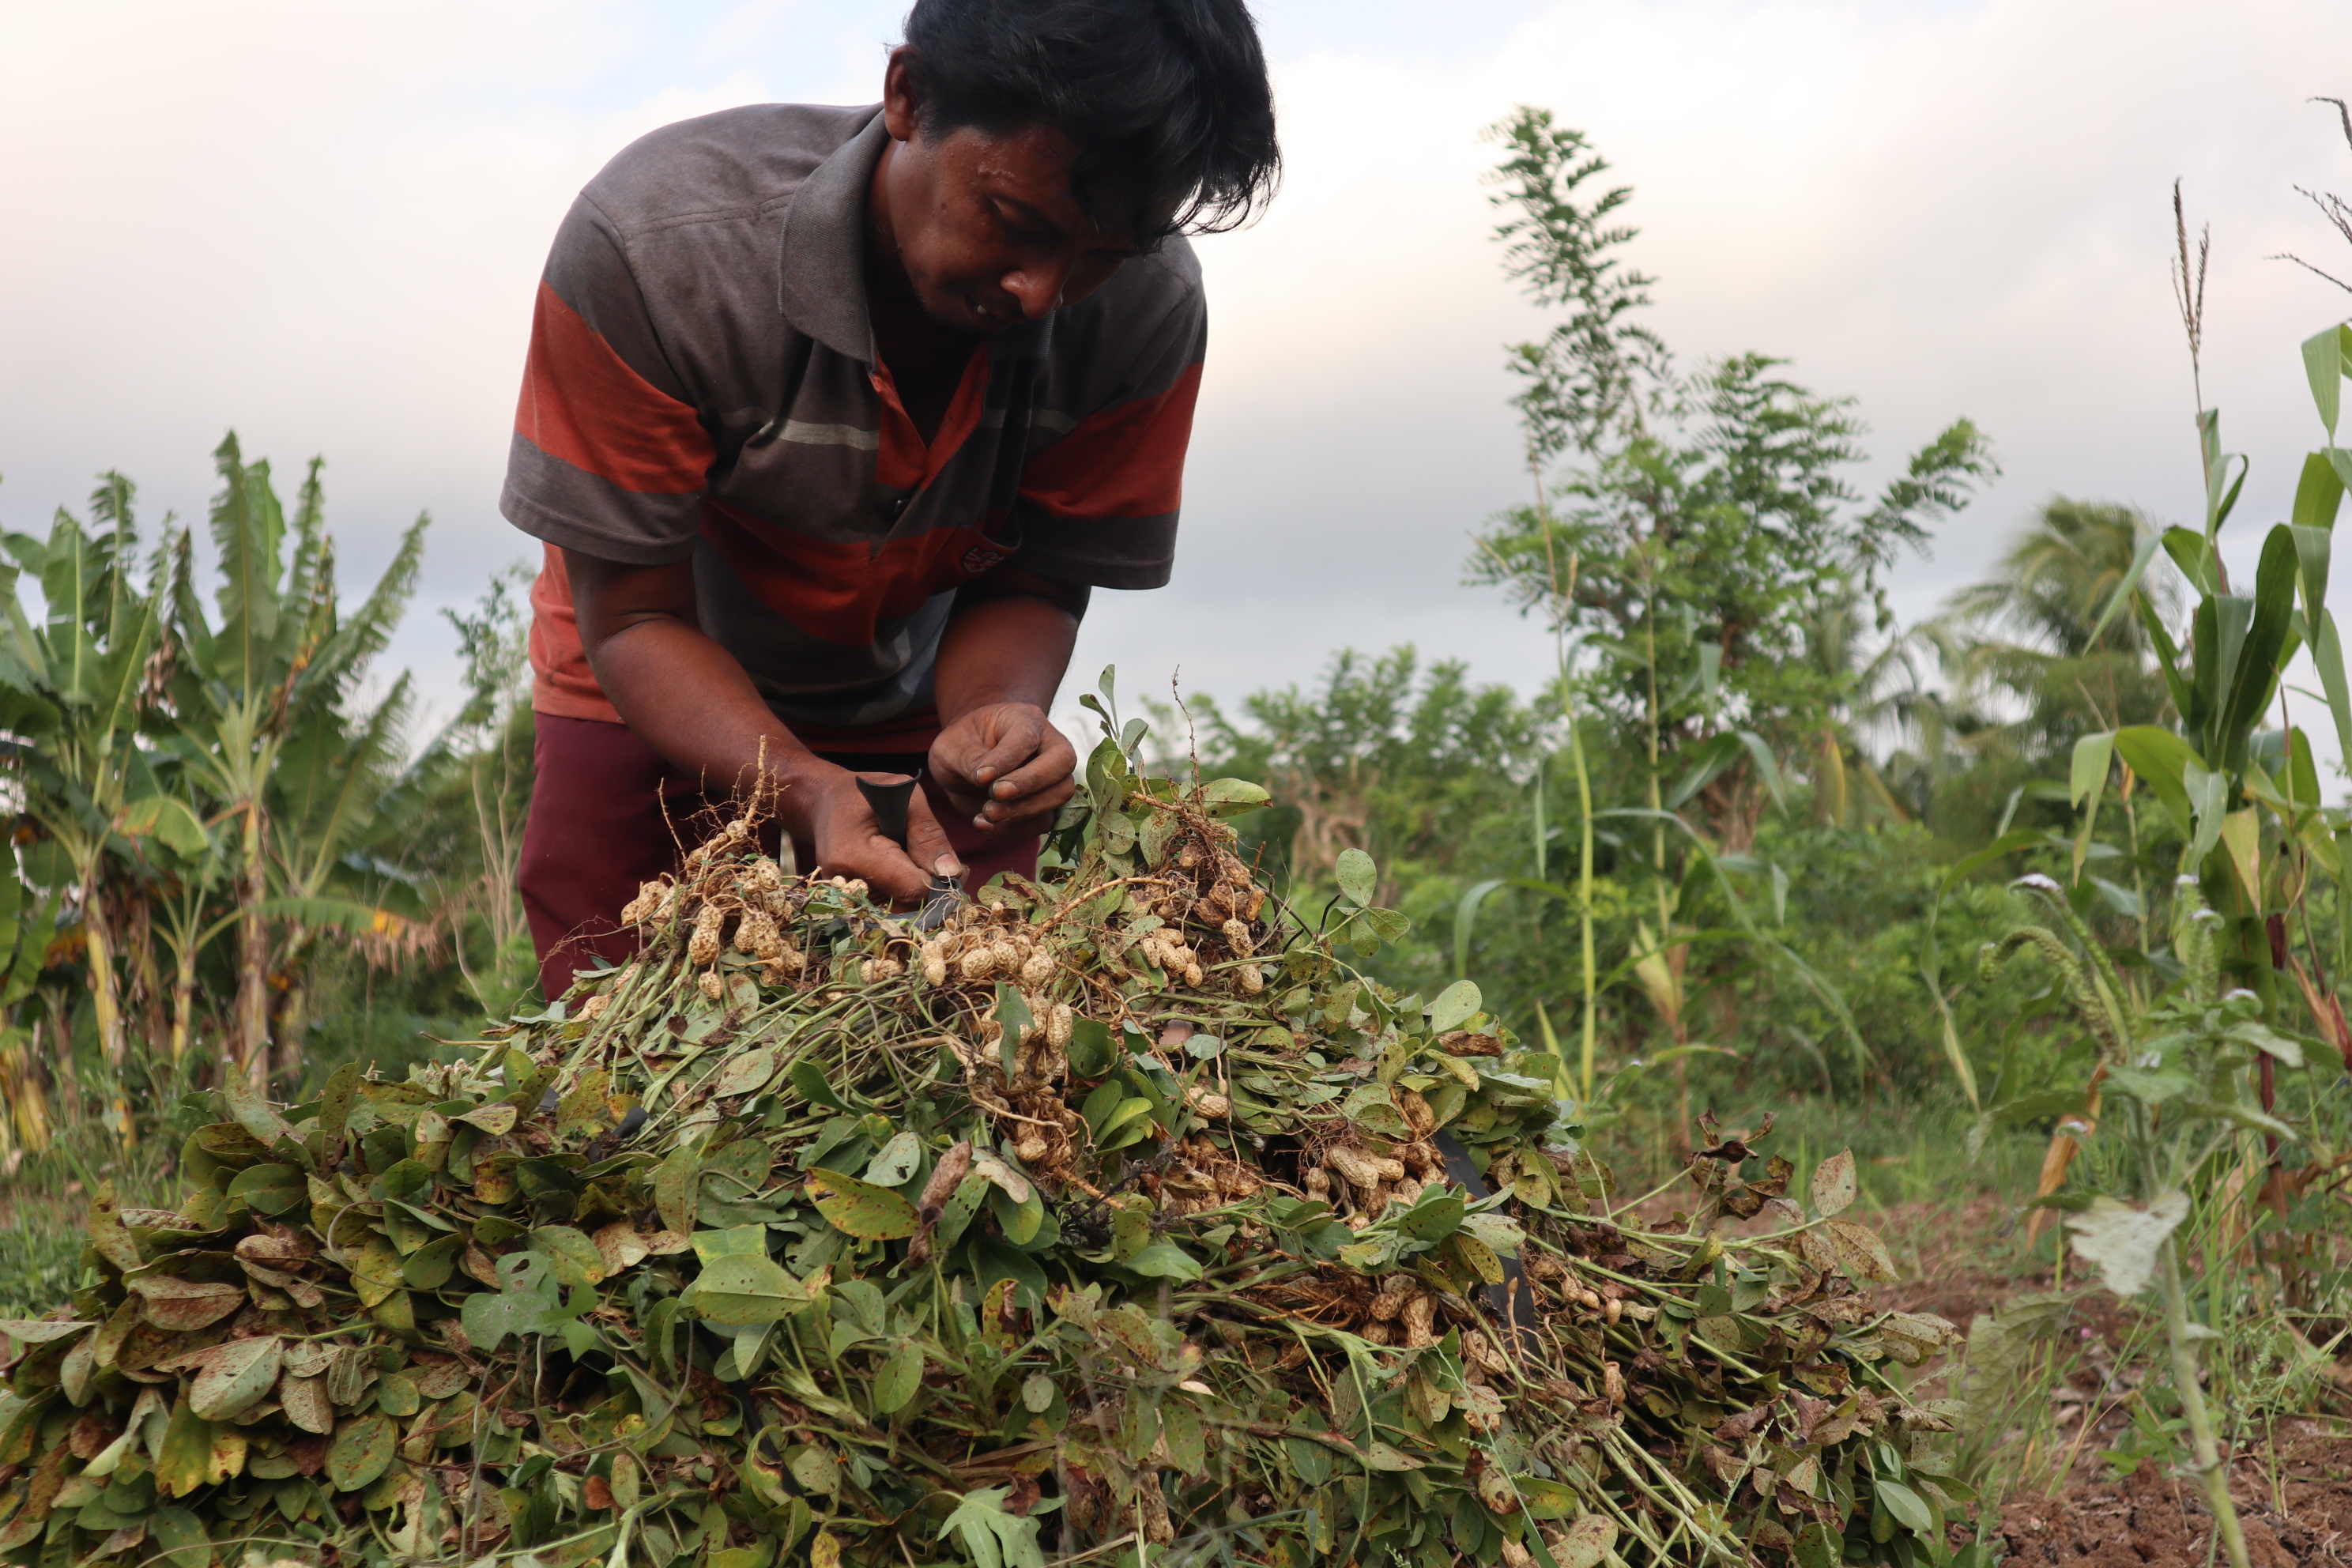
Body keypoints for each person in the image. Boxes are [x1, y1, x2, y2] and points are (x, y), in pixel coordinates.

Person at [503, 0, 1280, 1001]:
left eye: (1098, 255)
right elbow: (639, 612)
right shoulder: (657, 250)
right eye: (1016, 222)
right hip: (656, 664)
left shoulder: (1146, 308)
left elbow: (1037, 577)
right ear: (908, 97)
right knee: (618, 1029)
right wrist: (804, 785)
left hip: (920, 677)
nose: (1042, 293)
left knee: (977, 1025)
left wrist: (995, 722)